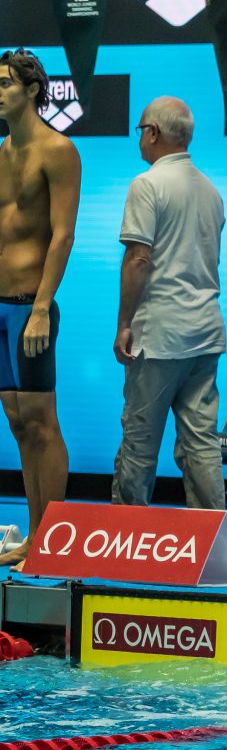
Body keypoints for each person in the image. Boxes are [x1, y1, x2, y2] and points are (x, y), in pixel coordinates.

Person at [111, 97, 227, 512]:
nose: (139, 138)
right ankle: (216, 539)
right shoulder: (211, 190)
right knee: (202, 444)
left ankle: (124, 538)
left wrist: (125, 322)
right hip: (206, 330)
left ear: (154, 133)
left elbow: (139, 258)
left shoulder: (147, 184)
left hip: (160, 334)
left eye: (140, 129)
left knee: (140, 441)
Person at [0, 50, 80, 572]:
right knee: (17, 421)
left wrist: (42, 307)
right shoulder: (2, 151)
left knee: (42, 422)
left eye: (4, 82)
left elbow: (62, 233)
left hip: (33, 304)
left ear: (31, 89)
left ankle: (53, 541)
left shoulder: (59, 149)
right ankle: (33, 538)